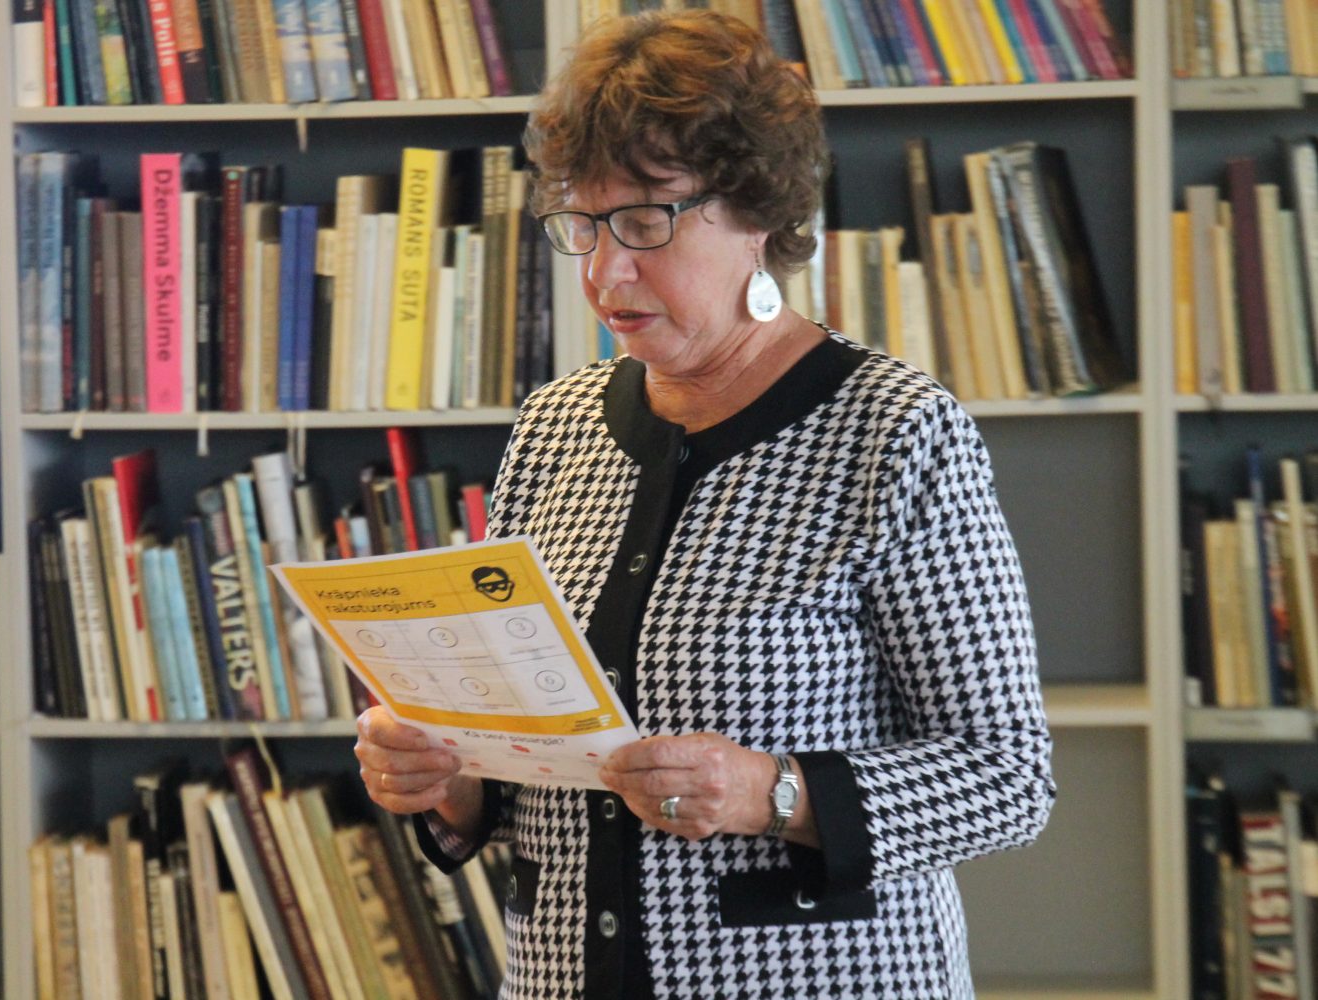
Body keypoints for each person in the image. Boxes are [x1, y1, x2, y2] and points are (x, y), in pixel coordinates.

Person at [354, 10, 1055, 998]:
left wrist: (772, 792)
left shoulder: (895, 431)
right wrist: (451, 782)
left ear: (757, 213)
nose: (605, 271)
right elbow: (528, 761)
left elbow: (1008, 777)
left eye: (646, 222)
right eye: (583, 225)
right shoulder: (554, 426)